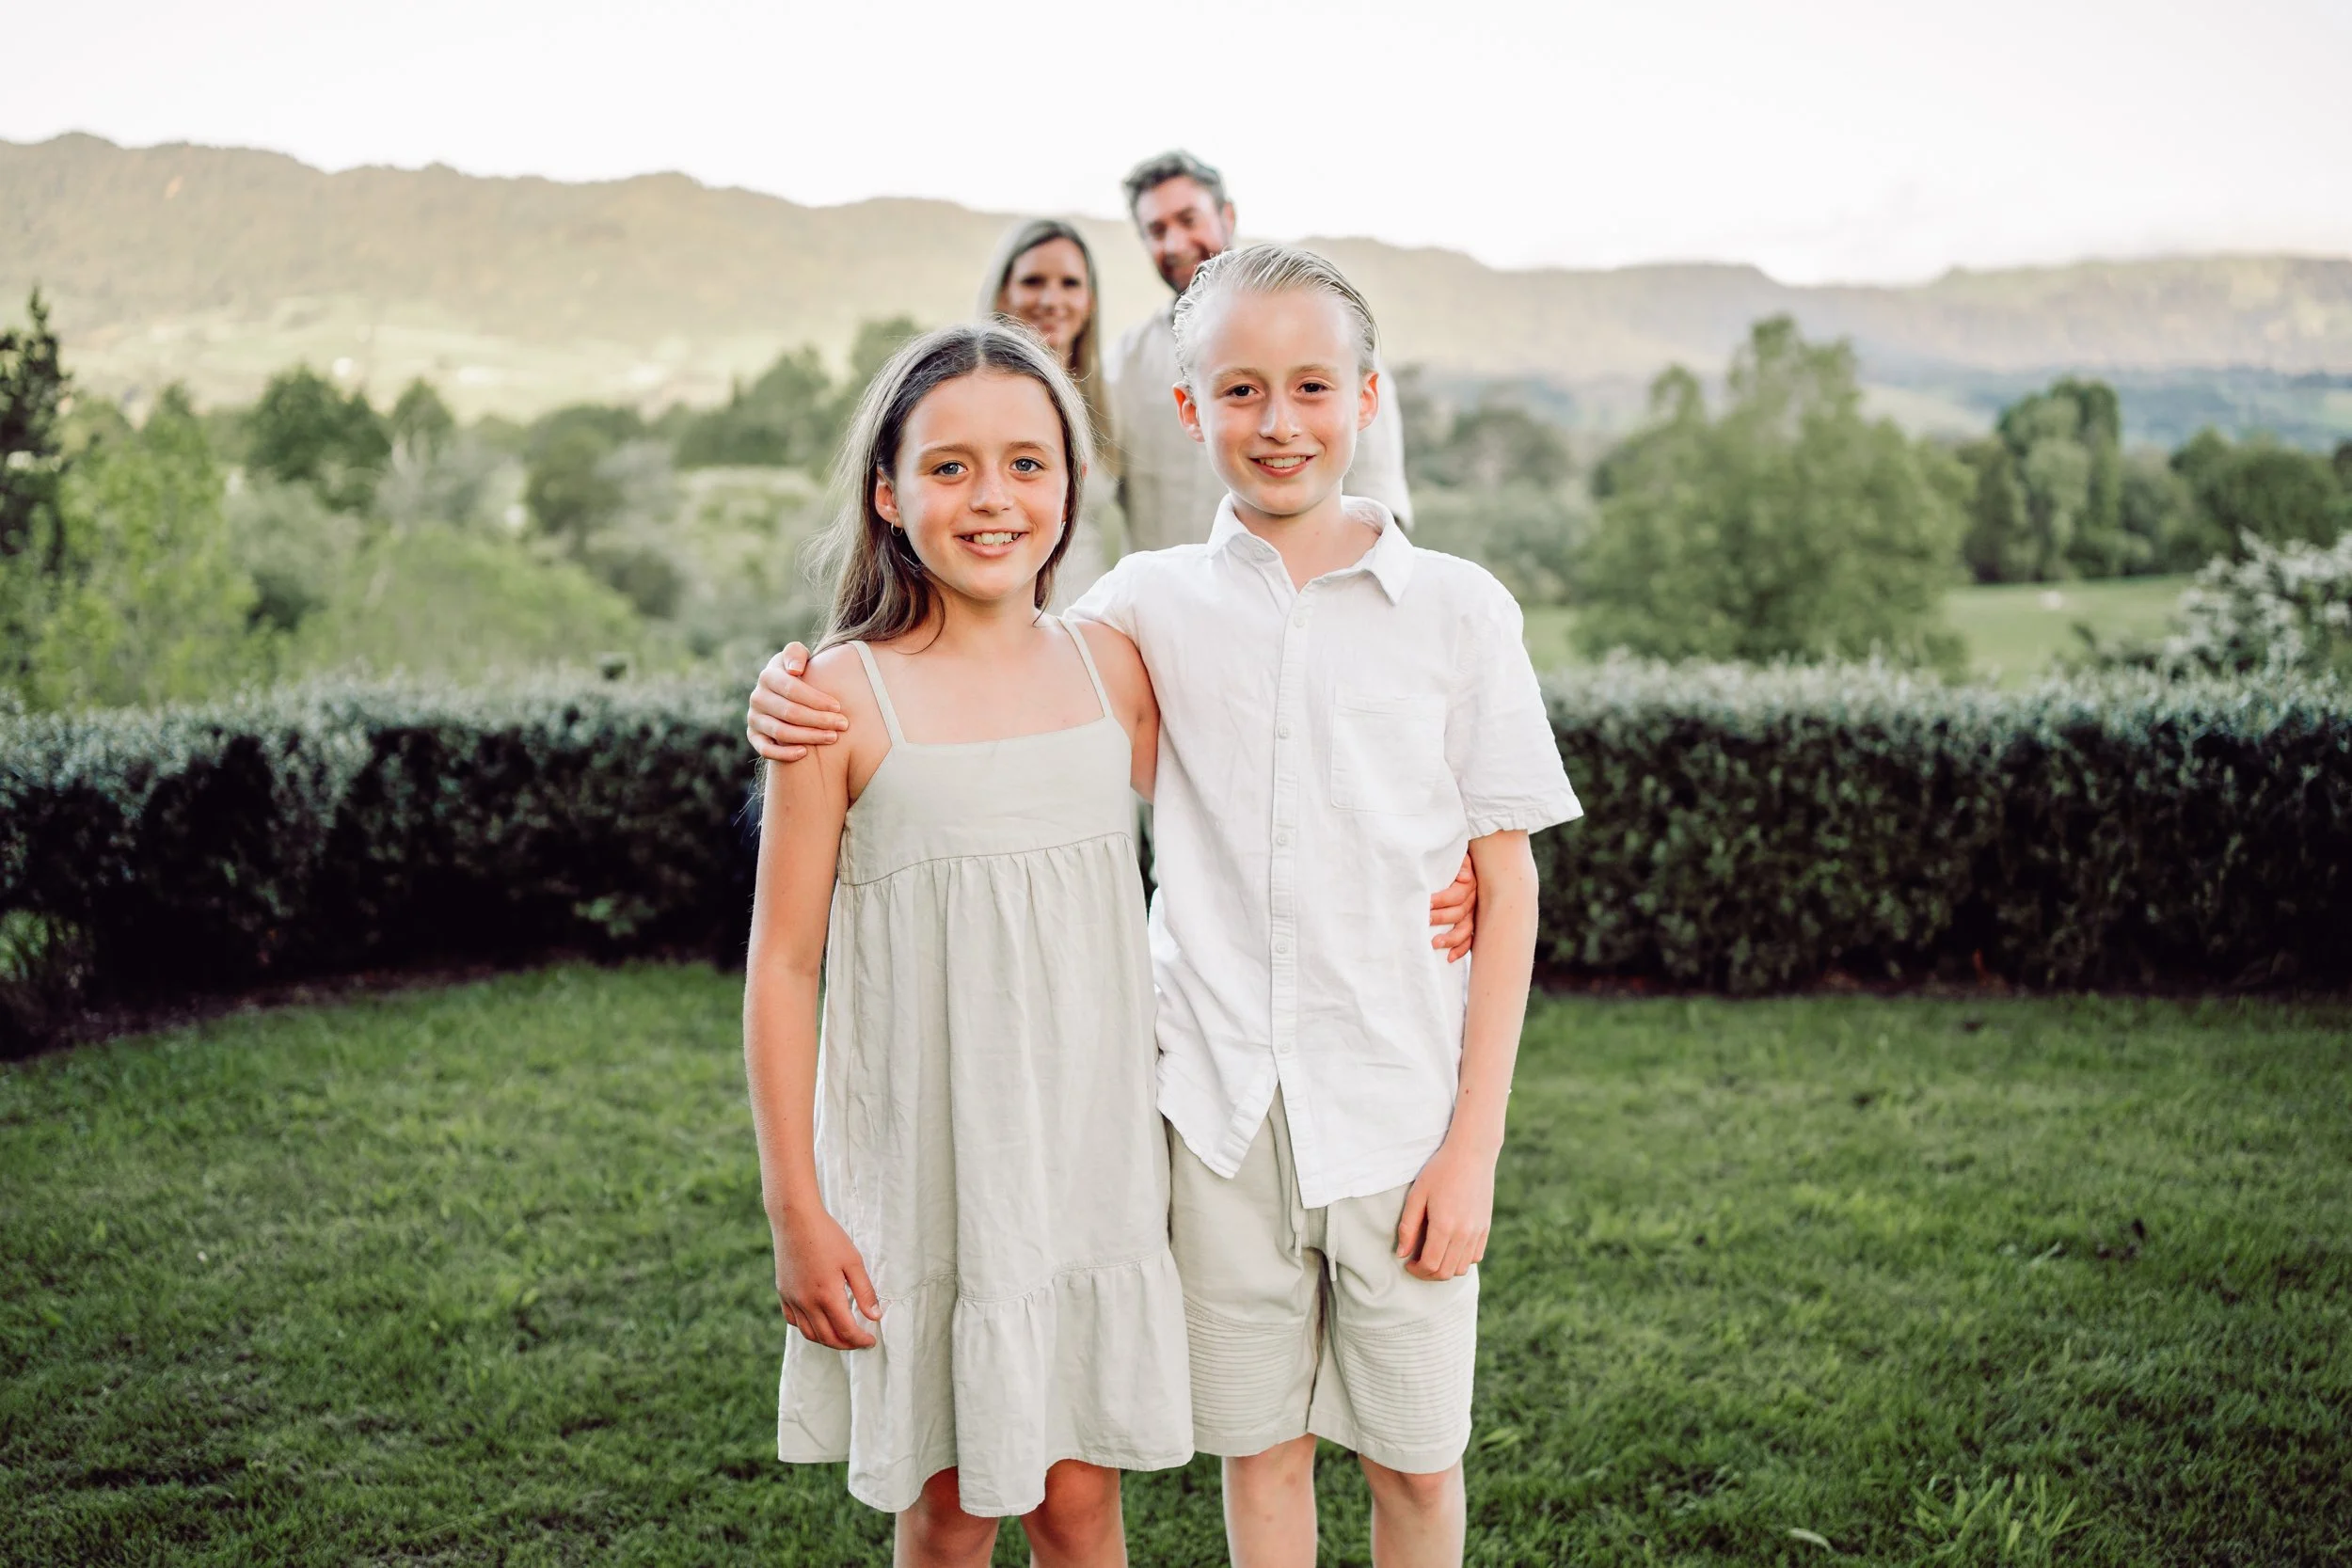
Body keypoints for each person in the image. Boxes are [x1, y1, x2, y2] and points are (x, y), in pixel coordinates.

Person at [750, 245, 1580, 1568]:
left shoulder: (1412, 616)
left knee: (1350, 1468)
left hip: (1310, 1118)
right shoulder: (1135, 615)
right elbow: (941, 751)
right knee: (1155, 1473)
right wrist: (788, 683)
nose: (1280, 419)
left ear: (1369, 398)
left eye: (1313, 384)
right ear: (1188, 413)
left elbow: (1451, 841)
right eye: (1240, 387)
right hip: (1158, 1123)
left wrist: (1462, 930)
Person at [742, 321, 1189, 1566]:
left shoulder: (1116, 668)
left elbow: (1255, 827)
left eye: (1026, 463)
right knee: (947, 1508)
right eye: (950, 467)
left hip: (1090, 1155)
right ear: (888, 494)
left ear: (1069, 485)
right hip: (931, 1165)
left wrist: (1461, 873)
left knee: (1081, 1501)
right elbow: (783, 964)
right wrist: (797, 1211)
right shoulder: (838, 696)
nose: (993, 497)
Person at [1109, 150, 1414, 554]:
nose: (1176, 243)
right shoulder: (1124, 364)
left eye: (1188, 220)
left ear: (1227, 216)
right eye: (1156, 229)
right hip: (1167, 613)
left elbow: (1379, 497)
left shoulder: (1328, 338)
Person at [977, 217, 1120, 606]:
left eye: (1070, 284)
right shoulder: (968, 398)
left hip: (1087, 625)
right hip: (996, 629)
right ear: (1004, 293)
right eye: (1033, 281)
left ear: (1089, 301)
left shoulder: (1106, 402)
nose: (1051, 300)